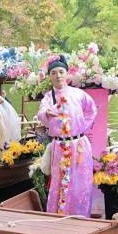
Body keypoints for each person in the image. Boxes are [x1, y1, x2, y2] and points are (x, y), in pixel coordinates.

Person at [38, 55, 97, 217]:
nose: (58, 76)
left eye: (61, 72)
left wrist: (82, 127)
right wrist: (46, 113)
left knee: (80, 182)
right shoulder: (49, 97)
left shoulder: (78, 94)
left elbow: (92, 110)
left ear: (67, 74)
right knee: (60, 181)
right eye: (54, 73)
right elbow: (41, 112)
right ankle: (59, 215)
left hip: (79, 145)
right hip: (59, 146)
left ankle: (81, 214)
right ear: (50, 76)